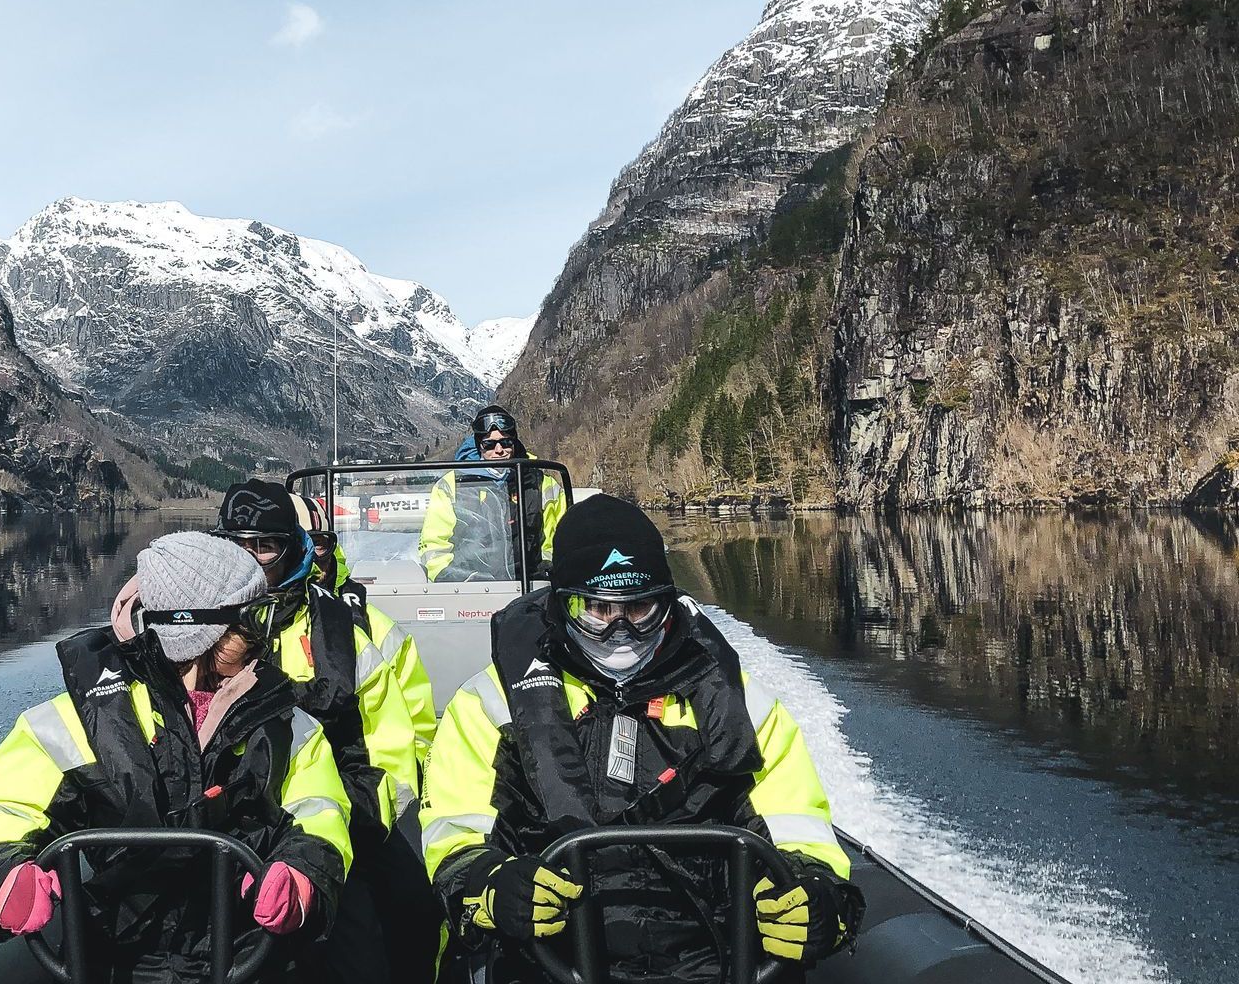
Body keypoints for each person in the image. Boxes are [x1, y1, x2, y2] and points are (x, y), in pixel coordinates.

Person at [420, 495, 863, 983]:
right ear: (560, 606)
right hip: (553, 961)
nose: (621, 632)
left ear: (668, 605)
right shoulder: (494, 705)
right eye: (597, 609)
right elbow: (454, 829)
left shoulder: (736, 704)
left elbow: (795, 819)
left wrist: (817, 891)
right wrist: (492, 886)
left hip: (716, 961)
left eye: (640, 608)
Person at [0, 531, 353, 983]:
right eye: (251, 618)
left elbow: (319, 809)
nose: (262, 633)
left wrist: (302, 872)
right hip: (117, 956)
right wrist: (6, 872)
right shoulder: (84, 717)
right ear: (208, 632)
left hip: (246, 951)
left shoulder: (279, 716)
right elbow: (11, 808)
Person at [216, 480, 429, 984]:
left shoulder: (344, 632)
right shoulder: (194, 634)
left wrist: (341, 833)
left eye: (265, 546)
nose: (251, 561)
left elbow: (393, 751)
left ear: (292, 549)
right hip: (226, 836)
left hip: (336, 833)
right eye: (237, 546)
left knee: (392, 934)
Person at [300, 493, 437, 766]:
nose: (310, 560)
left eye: (318, 544)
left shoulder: (379, 630)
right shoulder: (243, 634)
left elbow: (418, 729)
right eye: (297, 546)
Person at [416, 405, 566, 582]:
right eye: (489, 444)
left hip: (531, 586)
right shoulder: (453, 485)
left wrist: (550, 571)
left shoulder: (541, 483)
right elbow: (434, 545)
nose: (499, 450)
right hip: (470, 589)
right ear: (479, 446)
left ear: (514, 443)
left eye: (506, 442)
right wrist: (454, 579)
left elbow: (562, 536)